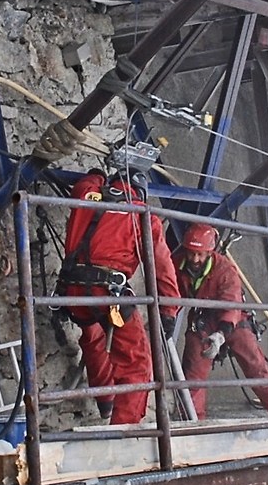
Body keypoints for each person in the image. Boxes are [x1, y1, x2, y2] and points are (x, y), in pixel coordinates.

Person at [57, 161, 179, 426]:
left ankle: (106, 403)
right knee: (136, 363)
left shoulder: (88, 194)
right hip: (108, 295)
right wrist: (169, 312)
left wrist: (98, 173)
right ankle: (123, 431)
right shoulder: (143, 215)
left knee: (92, 335)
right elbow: (161, 266)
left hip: (73, 295)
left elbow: (86, 182)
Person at [174, 224, 268, 420]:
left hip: (234, 319)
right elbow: (170, 291)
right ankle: (192, 423)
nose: (195, 259)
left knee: (256, 367)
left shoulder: (225, 269)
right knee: (193, 373)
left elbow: (231, 304)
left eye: (200, 254)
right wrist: (166, 317)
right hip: (202, 318)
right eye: (192, 253)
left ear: (210, 252)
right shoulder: (178, 264)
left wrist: (221, 335)